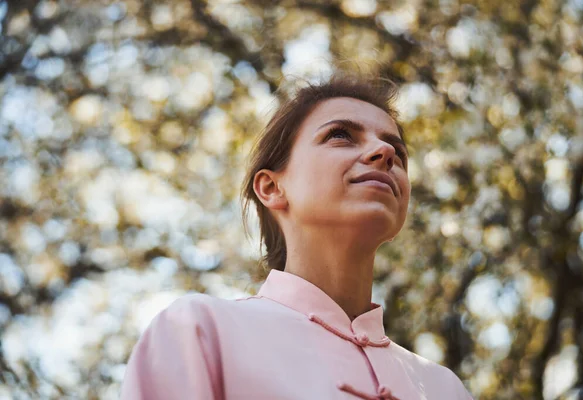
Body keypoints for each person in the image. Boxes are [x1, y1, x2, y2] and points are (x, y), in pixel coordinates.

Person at [120, 74, 474, 400]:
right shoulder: (199, 331)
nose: (385, 154)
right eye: (340, 135)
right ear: (272, 187)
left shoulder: (445, 388)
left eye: (397, 151)